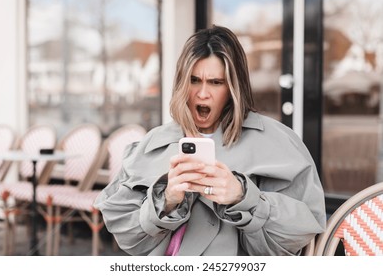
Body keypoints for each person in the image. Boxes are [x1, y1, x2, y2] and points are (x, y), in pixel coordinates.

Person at [94, 25, 326, 256]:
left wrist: (244, 197)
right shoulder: (153, 142)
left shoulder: (278, 143)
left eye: (215, 82)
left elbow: (299, 234)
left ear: (234, 87)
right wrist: (166, 201)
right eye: (194, 80)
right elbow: (127, 235)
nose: (202, 93)